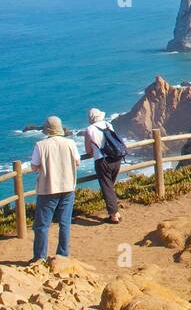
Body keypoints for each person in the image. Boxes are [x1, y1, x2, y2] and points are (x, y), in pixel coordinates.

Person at [30, 116, 81, 260]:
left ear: (47, 130)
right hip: (68, 187)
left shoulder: (40, 145)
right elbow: (77, 162)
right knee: (65, 222)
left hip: (48, 188)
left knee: (42, 225)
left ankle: (40, 257)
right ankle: (63, 254)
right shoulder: (70, 143)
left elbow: (34, 166)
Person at [82, 108, 122, 224]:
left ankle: (114, 215)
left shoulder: (89, 129)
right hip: (116, 157)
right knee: (110, 185)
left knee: (107, 187)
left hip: (102, 160)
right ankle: (116, 211)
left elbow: (88, 150)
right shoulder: (108, 125)